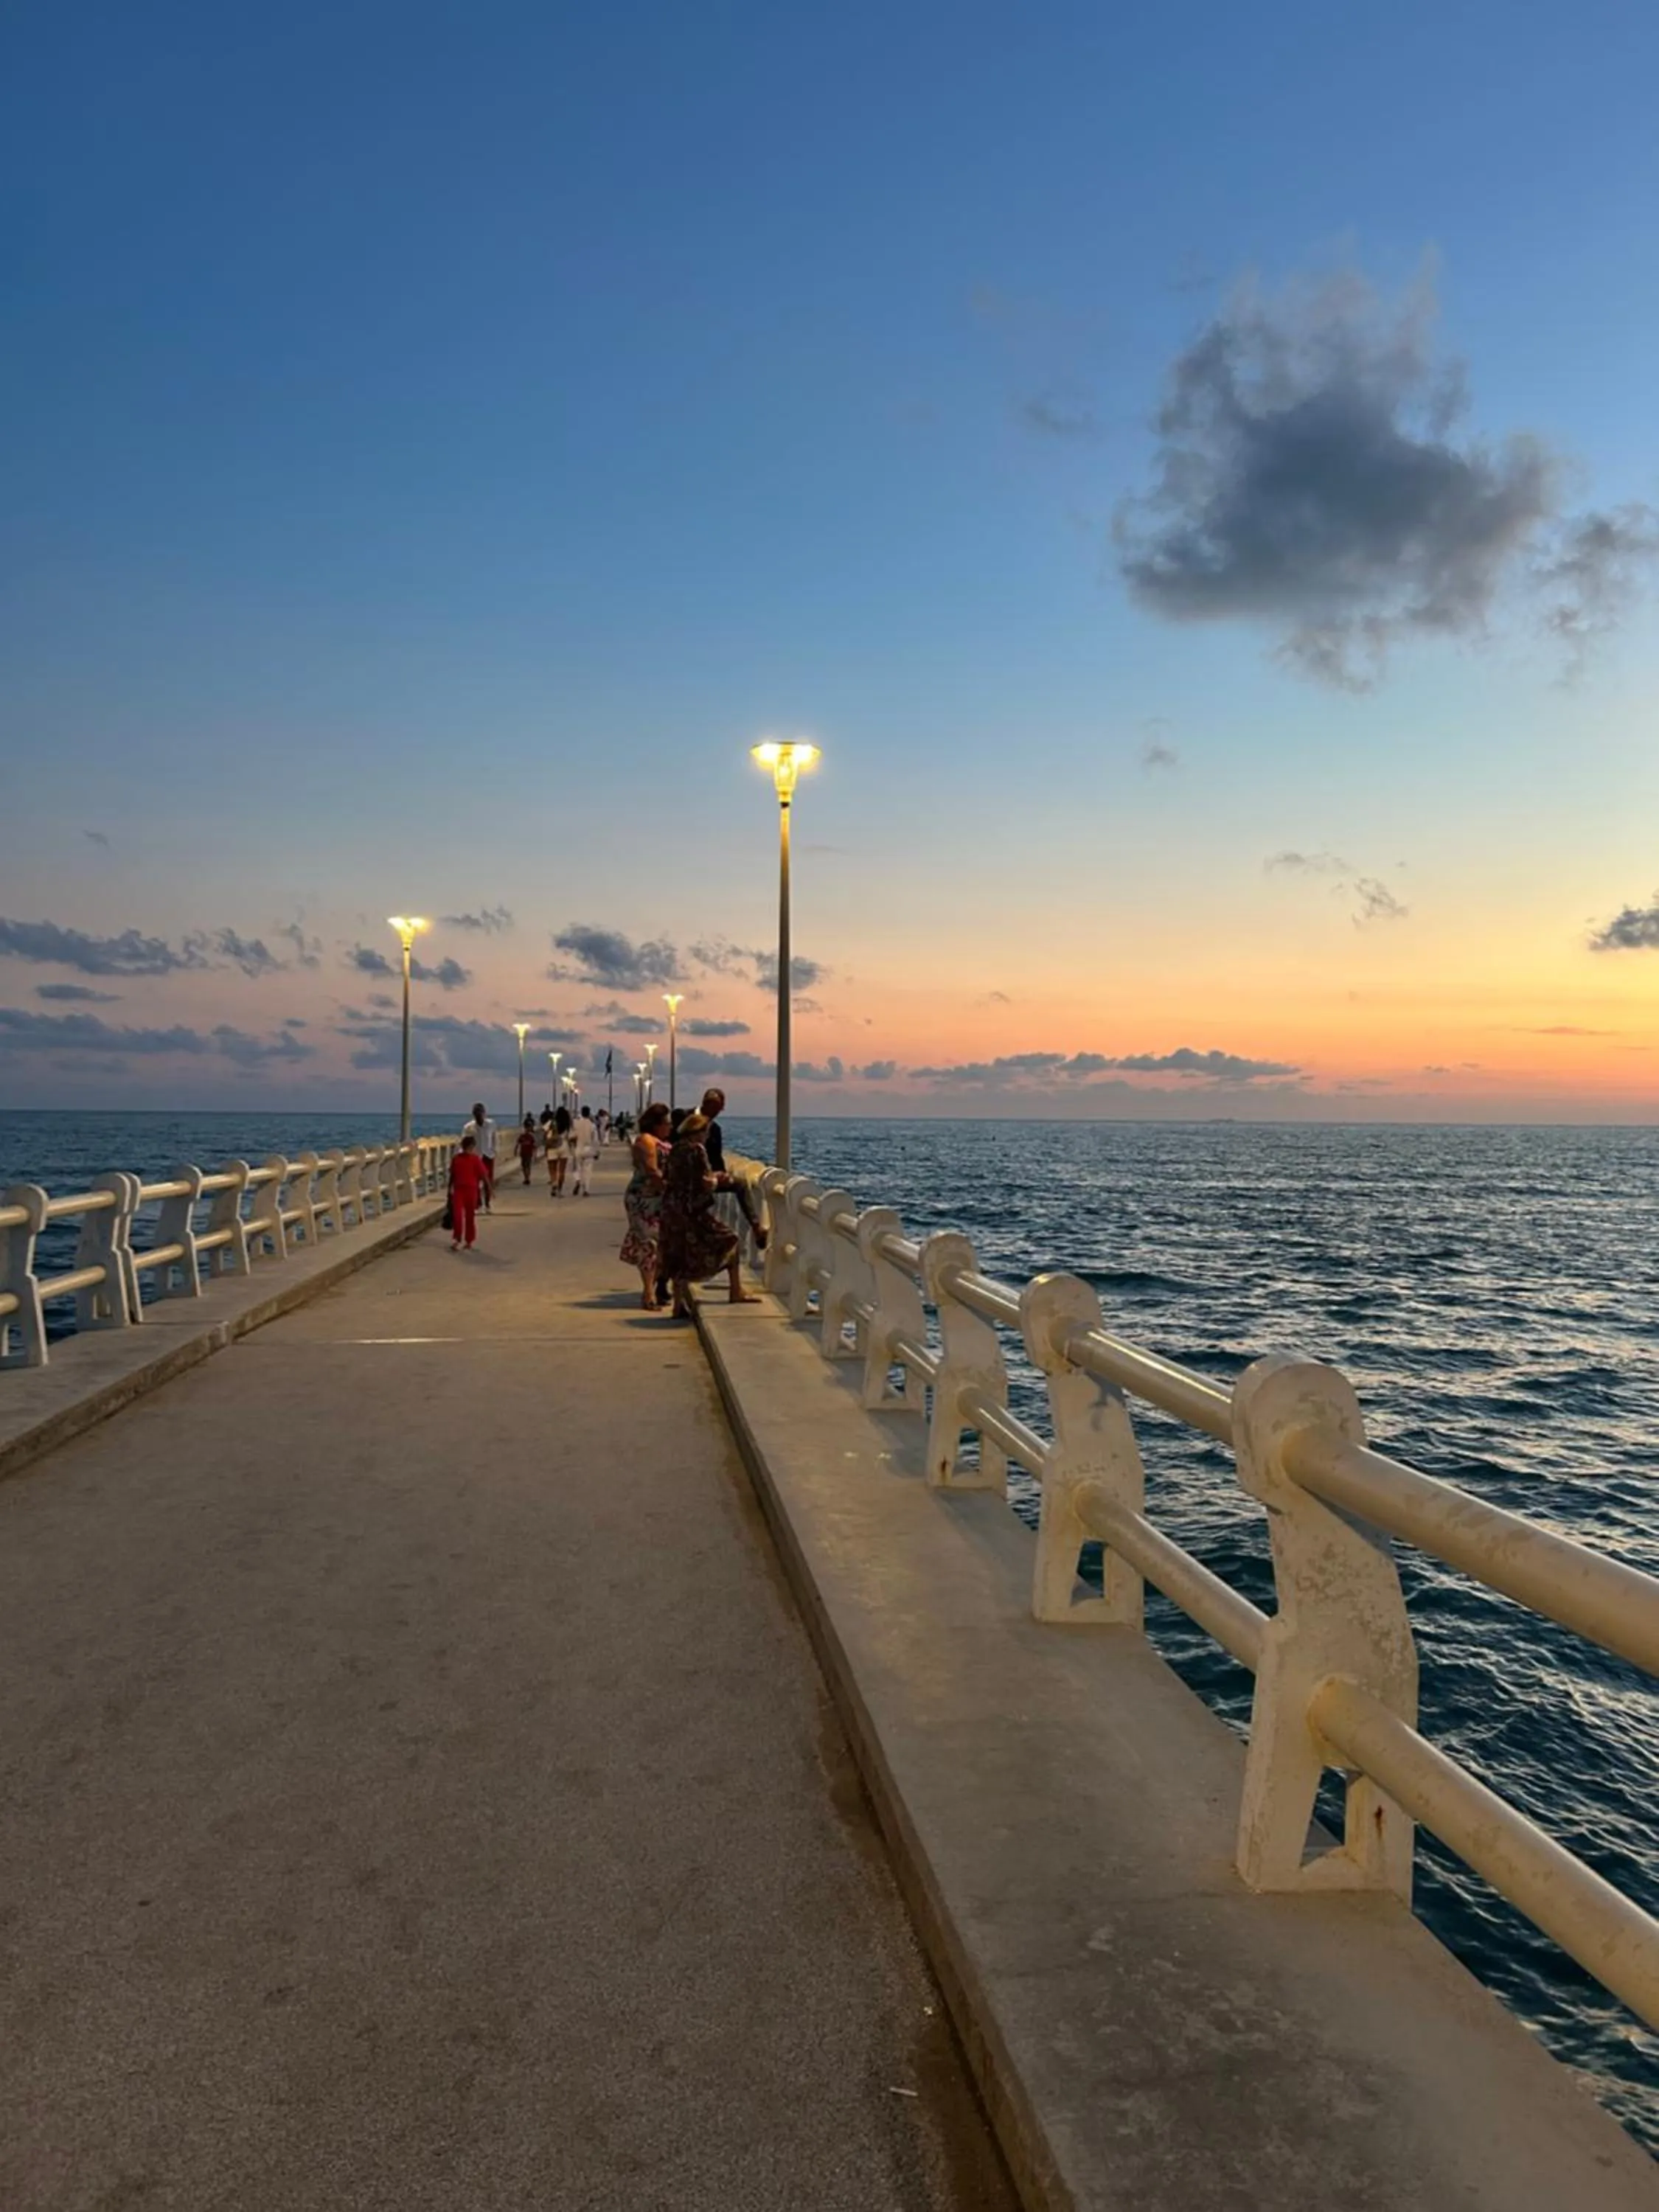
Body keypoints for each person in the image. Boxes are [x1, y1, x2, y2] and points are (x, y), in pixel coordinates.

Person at [657, 1111, 760, 1318]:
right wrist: (719, 1180)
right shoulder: (697, 1150)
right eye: (706, 1133)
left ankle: (678, 1305)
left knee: (679, 1253)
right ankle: (736, 1291)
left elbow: (668, 1176)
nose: (707, 1137)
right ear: (698, 1131)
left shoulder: (676, 1149)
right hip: (691, 1211)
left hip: (672, 1209)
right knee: (731, 1240)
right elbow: (705, 1183)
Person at [700, 1086, 768, 1250]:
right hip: (688, 1177)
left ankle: (756, 1227)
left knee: (740, 1184)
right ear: (706, 1104)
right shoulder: (684, 1118)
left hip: (709, 1176)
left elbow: (716, 1157)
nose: (717, 1113)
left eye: (720, 1110)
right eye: (716, 1108)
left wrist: (721, 1174)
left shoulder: (715, 1129)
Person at [619, 1101, 671, 1308]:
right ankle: (648, 1294)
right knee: (649, 1244)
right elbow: (651, 1170)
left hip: (657, 1199)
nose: (669, 1127)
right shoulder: (646, 1140)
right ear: (656, 1124)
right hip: (643, 1199)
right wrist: (667, 1187)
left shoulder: (658, 1141)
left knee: (661, 1244)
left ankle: (651, 1290)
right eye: (666, 1123)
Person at [447, 1132, 489, 1252]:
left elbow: (484, 1175)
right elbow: (452, 1175)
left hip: (471, 1190)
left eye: (471, 1147)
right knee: (458, 1216)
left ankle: (469, 1240)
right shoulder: (456, 1159)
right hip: (459, 1190)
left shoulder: (475, 1159)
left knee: (470, 1216)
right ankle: (457, 1239)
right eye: (469, 1147)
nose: (470, 1149)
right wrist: (449, 1190)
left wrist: (489, 1189)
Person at [464, 1102, 497, 1210]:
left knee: (488, 1180)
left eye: (480, 1114)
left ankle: (487, 1203)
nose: (478, 1116)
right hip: (475, 1157)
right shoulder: (469, 1127)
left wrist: (494, 1151)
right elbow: (465, 1143)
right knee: (475, 1181)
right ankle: (478, 1203)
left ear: (484, 1114)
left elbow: (494, 1138)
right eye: (476, 1114)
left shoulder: (491, 1124)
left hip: (488, 1155)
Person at [571, 1106, 599, 1196]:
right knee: (588, 1170)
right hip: (589, 1149)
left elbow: (572, 1136)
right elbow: (595, 1140)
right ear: (589, 1113)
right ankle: (586, 1190)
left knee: (577, 1168)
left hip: (579, 1148)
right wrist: (597, 1151)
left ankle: (578, 1180)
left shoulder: (576, 1123)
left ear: (581, 1113)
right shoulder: (592, 1125)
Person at [547, 1105, 571, 1196]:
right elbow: (571, 1136)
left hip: (552, 1147)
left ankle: (554, 1184)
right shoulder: (568, 1125)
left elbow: (545, 1132)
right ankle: (559, 1190)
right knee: (562, 1170)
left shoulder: (551, 1123)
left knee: (552, 1169)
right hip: (564, 1146)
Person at [515, 1113, 538, 1185]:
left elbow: (535, 1146)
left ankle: (527, 1178)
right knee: (524, 1166)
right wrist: (515, 1151)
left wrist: (535, 1154)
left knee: (528, 1165)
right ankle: (526, 1177)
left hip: (529, 1153)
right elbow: (518, 1144)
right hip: (523, 1153)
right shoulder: (522, 1136)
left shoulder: (531, 1136)